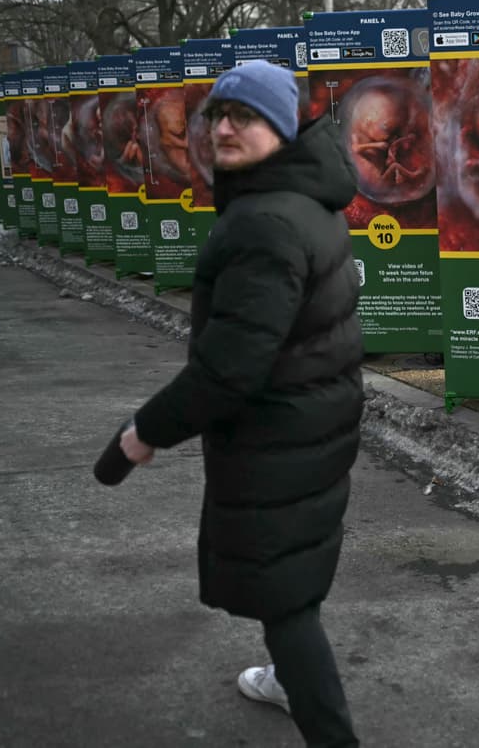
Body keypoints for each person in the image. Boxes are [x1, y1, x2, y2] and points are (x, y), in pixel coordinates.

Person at [116, 60, 364, 748]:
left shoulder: (266, 221)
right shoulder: (306, 196)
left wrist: (142, 434)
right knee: (289, 567)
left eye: (245, 117)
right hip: (310, 421)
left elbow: (228, 368)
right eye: (218, 115)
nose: (224, 127)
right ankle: (290, 677)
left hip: (277, 432)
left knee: (284, 595)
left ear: (281, 128)